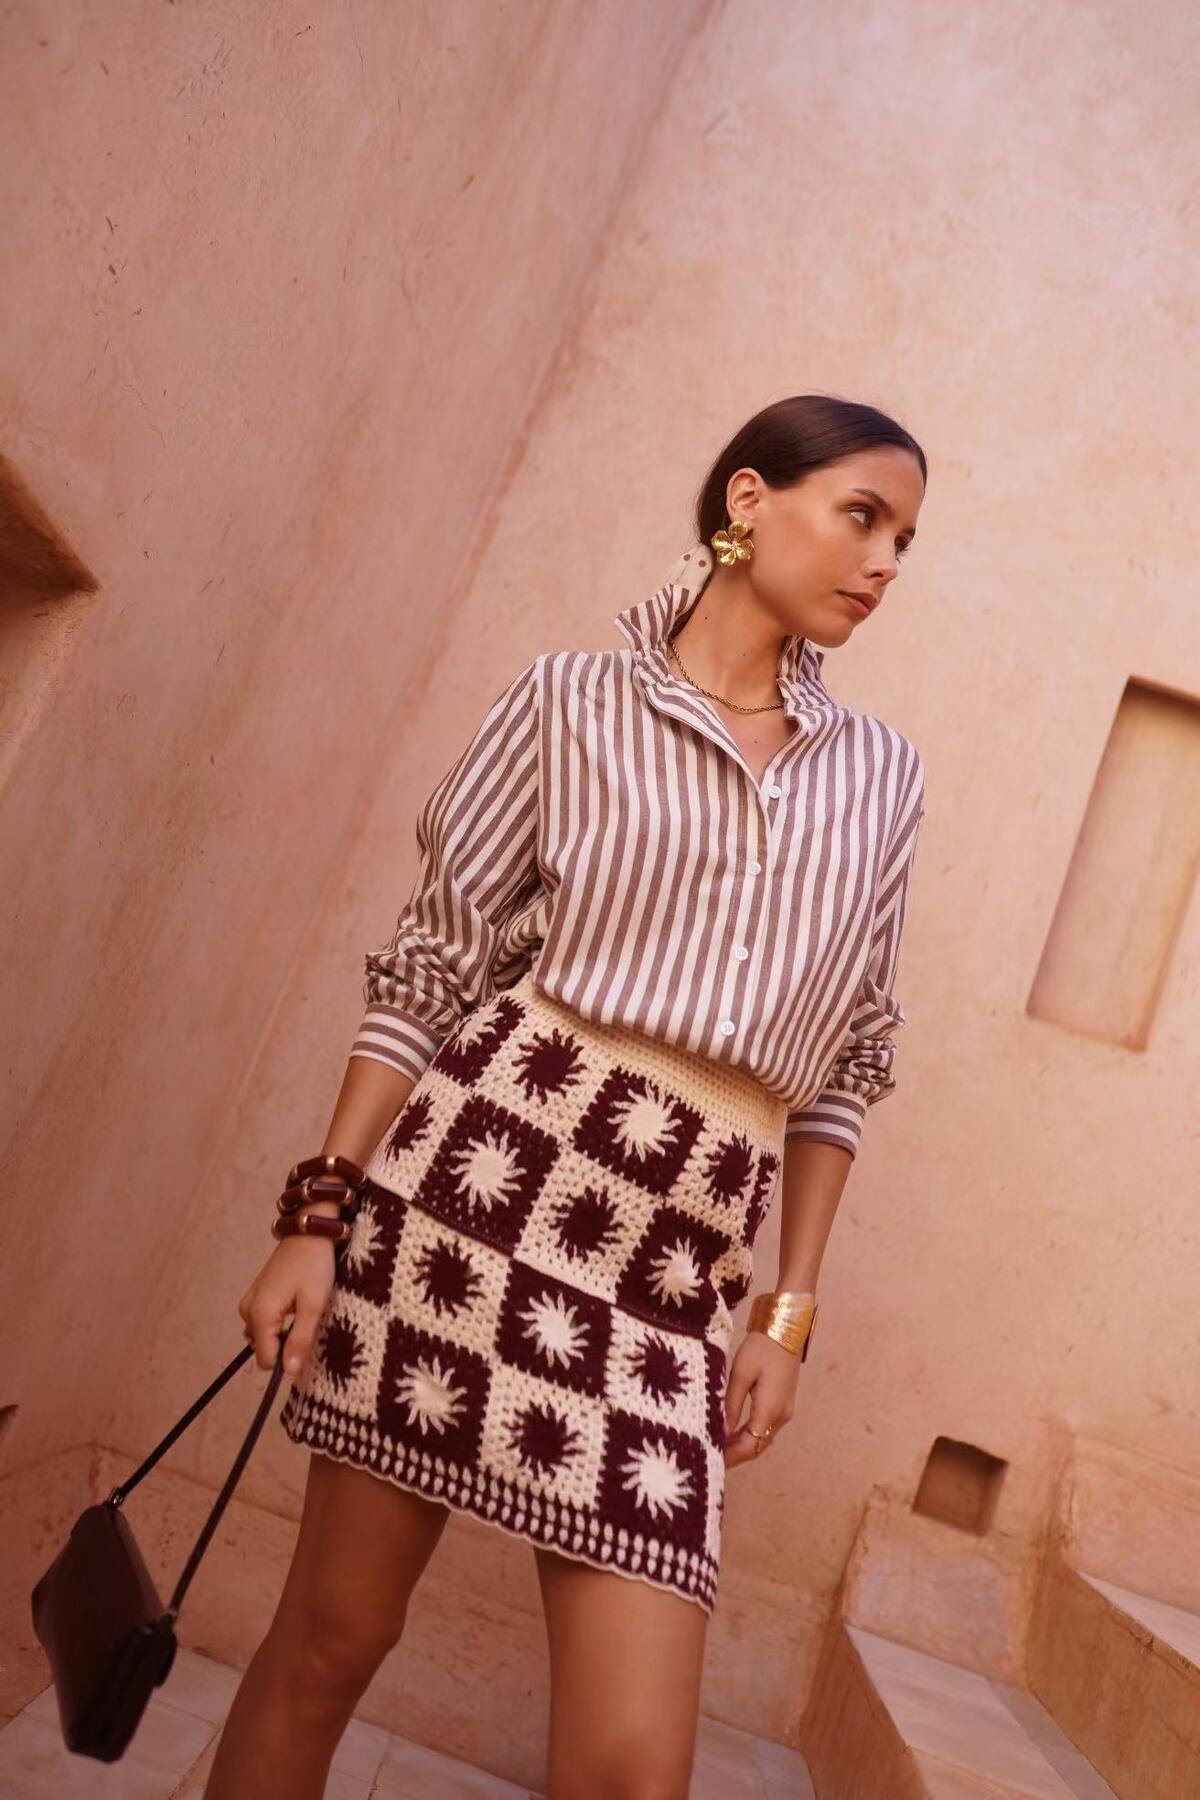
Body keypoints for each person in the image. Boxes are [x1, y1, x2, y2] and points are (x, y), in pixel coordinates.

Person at [209, 394, 927, 1800]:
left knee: (631, 1771)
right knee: (329, 1645)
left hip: (671, 1282)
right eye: (864, 517)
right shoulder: (565, 702)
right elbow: (432, 965)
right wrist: (315, 1217)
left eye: (906, 539)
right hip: (470, 1203)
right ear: (747, 502)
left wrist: (785, 1315)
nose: (886, 562)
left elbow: (851, 1061)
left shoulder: (881, 780)